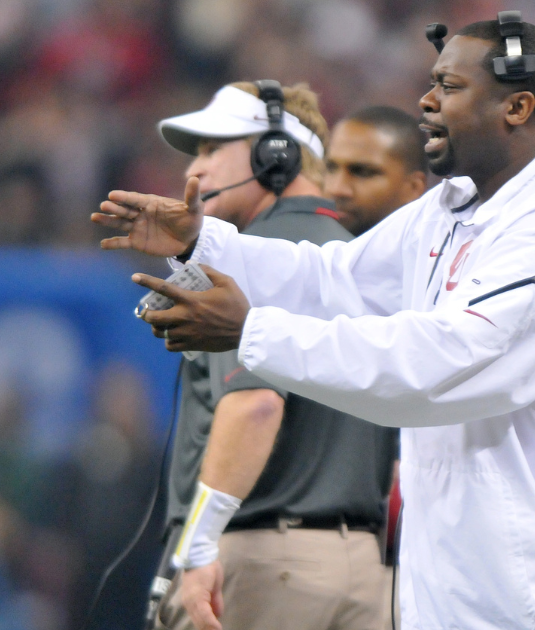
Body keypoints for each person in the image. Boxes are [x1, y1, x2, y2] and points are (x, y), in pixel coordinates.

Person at [93, 15, 535, 630]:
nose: (425, 102)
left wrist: (252, 333)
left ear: (518, 106)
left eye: (450, 88)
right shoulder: (452, 206)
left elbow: (436, 370)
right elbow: (335, 280)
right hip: (475, 591)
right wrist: (206, 245)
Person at [150, 81, 399, 630]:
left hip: (262, 566)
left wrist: (198, 548)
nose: (197, 171)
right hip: (365, 570)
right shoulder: (369, 261)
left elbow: (254, 404)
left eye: (215, 149)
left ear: (276, 154)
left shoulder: (244, 261)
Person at [324, 105, 429, 237]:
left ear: (413, 188)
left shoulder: (440, 255)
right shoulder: (303, 249)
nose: (336, 189)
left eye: (362, 173)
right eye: (331, 168)